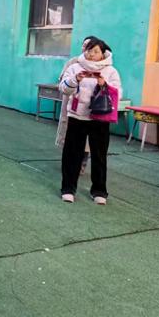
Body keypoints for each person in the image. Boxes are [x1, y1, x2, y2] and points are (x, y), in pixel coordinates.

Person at [59, 38, 122, 205]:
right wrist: (75, 80)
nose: (91, 54)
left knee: (99, 155)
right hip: (77, 116)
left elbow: (118, 93)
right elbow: (63, 88)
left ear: (103, 53)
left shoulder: (111, 71)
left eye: (95, 51)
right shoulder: (75, 67)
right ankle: (68, 189)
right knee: (72, 154)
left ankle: (99, 191)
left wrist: (104, 84)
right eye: (89, 50)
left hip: (99, 118)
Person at [56, 36, 99, 175]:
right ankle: (68, 162)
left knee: (86, 138)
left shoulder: (100, 65)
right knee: (69, 134)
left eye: (89, 45)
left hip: (88, 108)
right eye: (84, 45)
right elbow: (62, 81)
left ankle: (82, 163)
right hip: (71, 104)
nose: (85, 48)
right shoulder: (73, 62)